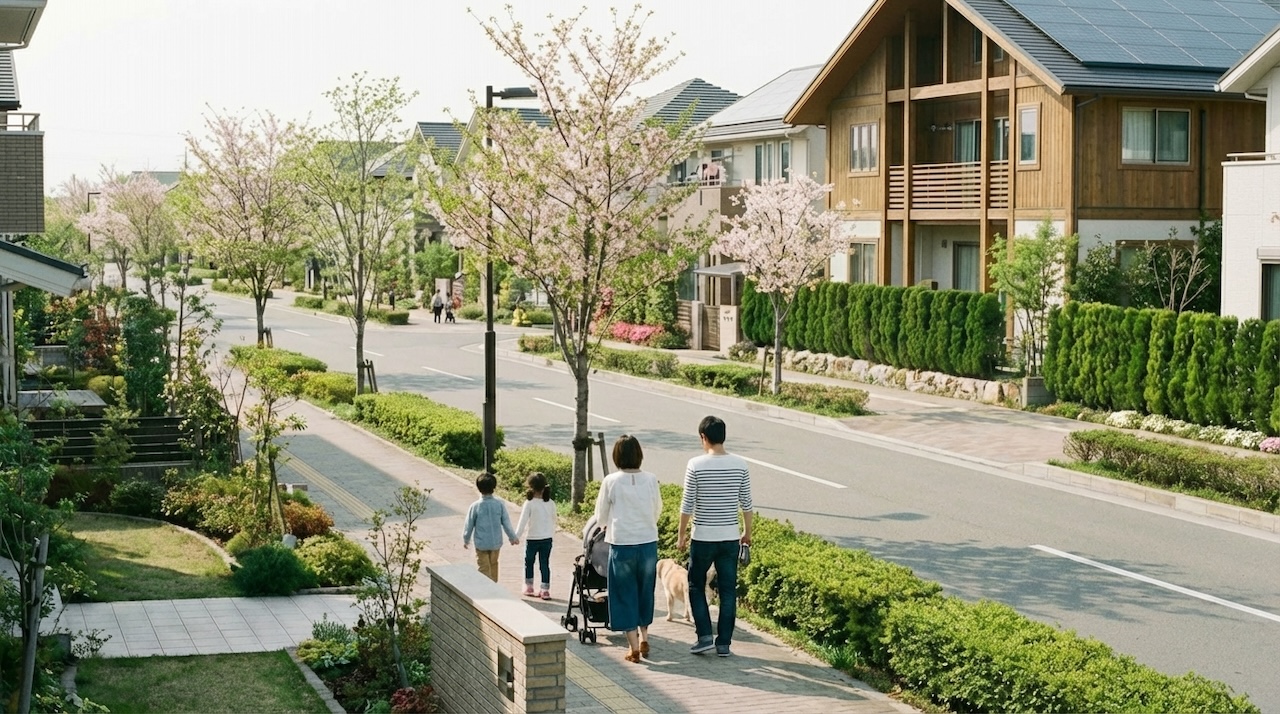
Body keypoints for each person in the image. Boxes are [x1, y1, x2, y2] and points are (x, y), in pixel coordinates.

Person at [677, 415, 753, 657]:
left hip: (703, 538)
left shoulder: (695, 465)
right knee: (728, 590)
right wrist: (746, 533)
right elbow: (747, 504)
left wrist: (681, 536)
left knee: (696, 585)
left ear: (703, 437)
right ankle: (724, 644)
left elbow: (687, 504)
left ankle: (704, 637)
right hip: (730, 538)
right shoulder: (740, 464)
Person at [594, 434, 662, 663]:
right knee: (645, 591)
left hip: (622, 544)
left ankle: (633, 648)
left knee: (624, 595)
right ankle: (645, 636)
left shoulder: (611, 481)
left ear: (617, 456)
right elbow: (657, 510)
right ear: (639, 455)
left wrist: (607, 524)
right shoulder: (651, 479)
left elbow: (600, 515)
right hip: (648, 543)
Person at [462, 472, 519, 582]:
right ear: (494, 487)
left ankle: (486, 590)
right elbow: (506, 522)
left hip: (481, 543)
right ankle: (494, 586)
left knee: (483, 567)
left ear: (478, 488)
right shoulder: (499, 504)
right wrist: (512, 537)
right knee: (494, 564)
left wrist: (466, 539)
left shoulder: (475, 506)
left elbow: (469, 524)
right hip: (495, 543)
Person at [515, 472, 556, 600]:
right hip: (547, 538)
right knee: (544, 563)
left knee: (529, 562)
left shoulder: (529, 503)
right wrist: (550, 532)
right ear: (545, 487)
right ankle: (545, 589)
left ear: (530, 487)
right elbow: (554, 520)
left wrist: (516, 536)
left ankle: (529, 586)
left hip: (532, 538)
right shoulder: (551, 503)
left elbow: (522, 522)